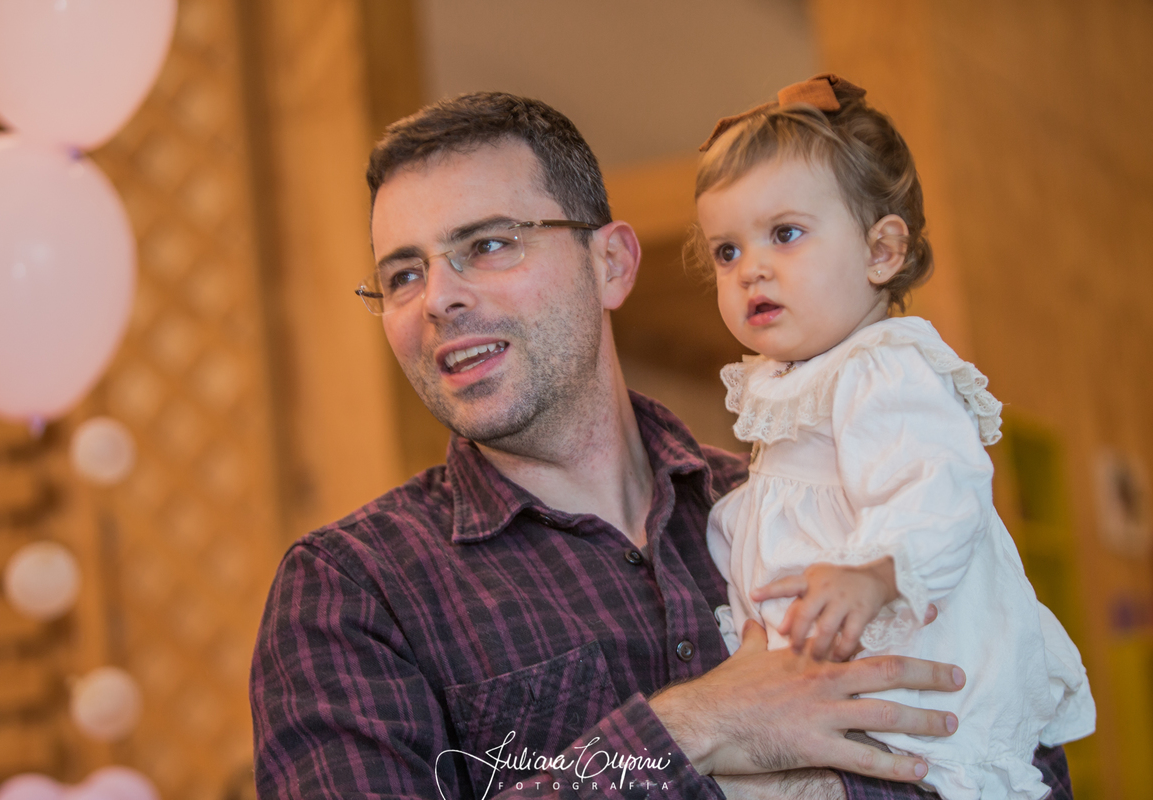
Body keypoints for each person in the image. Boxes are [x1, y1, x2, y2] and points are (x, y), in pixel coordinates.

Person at [249, 91, 1074, 799]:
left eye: (488, 245)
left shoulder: (814, 503)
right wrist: (691, 727)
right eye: (402, 274)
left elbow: (1021, 750)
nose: (437, 299)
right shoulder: (354, 591)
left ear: (611, 263)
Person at [694, 74, 1094, 799]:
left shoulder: (882, 366)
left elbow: (939, 484)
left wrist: (875, 573)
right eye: (726, 250)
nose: (750, 268)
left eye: (785, 234)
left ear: (881, 251)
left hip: (916, 687)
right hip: (825, 699)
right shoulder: (795, 381)